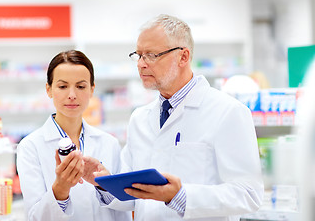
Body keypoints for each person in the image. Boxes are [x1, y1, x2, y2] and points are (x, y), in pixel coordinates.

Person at [84, 14, 264, 221]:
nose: (141, 64)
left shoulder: (228, 112)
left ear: (183, 57)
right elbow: (133, 196)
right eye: (139, 55)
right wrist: (105, 182)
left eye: (151, 55)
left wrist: (181, 196)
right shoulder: (140, 119)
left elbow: (249, 194)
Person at [16, 50, 131, 221]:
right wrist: (60, 190)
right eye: (62, 86)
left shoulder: (109, 143)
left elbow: (124, 210)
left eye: (81, 86)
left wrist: (105, 187)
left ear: (92, 90)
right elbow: (35, 217)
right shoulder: (30, 147)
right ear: (49, 89)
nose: (72, 95)